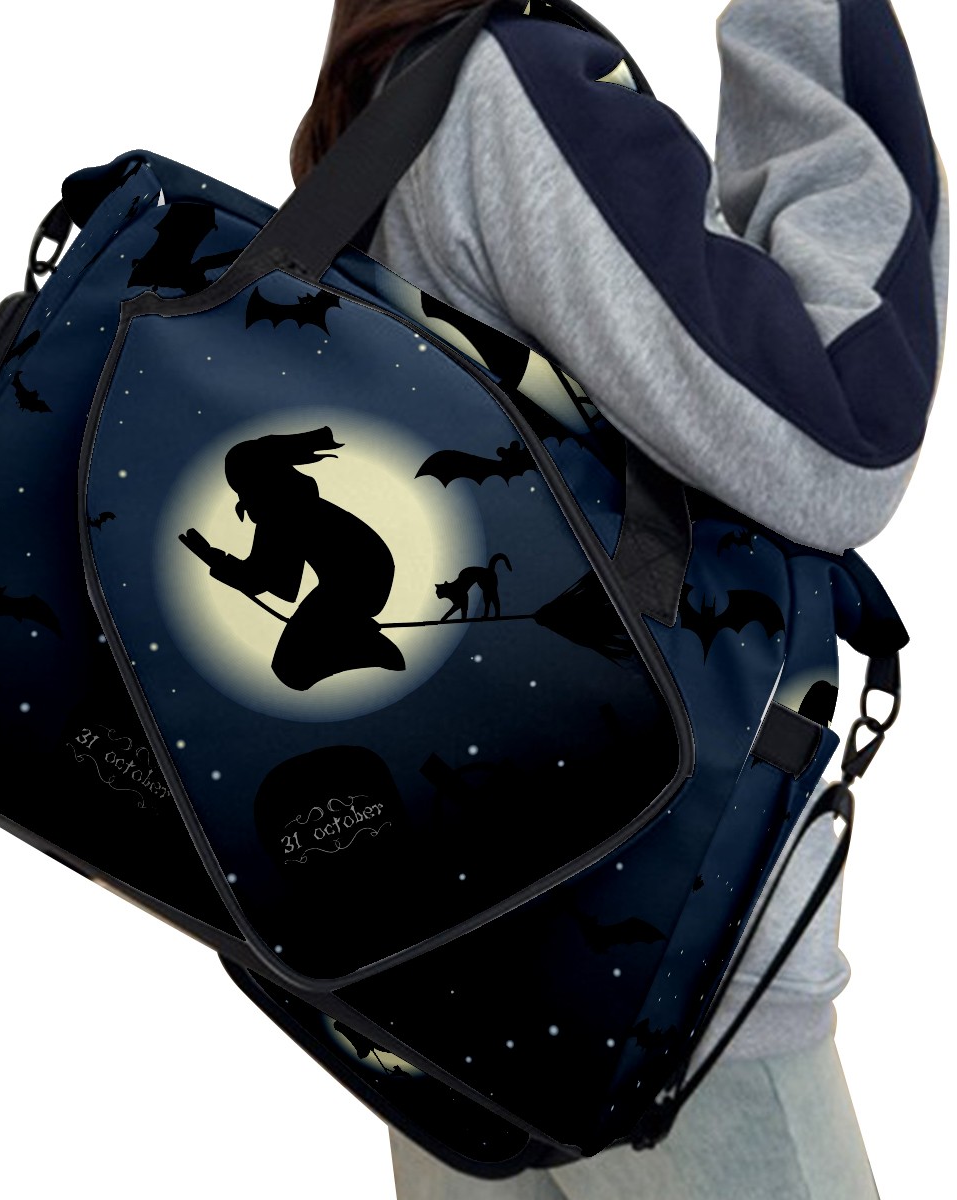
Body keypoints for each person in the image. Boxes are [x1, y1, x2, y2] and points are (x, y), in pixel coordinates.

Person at [288, 1, 948, 1197]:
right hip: (657, 974)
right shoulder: (514, 89)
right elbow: (843, 432)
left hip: (434, 960)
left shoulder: (380, 121)